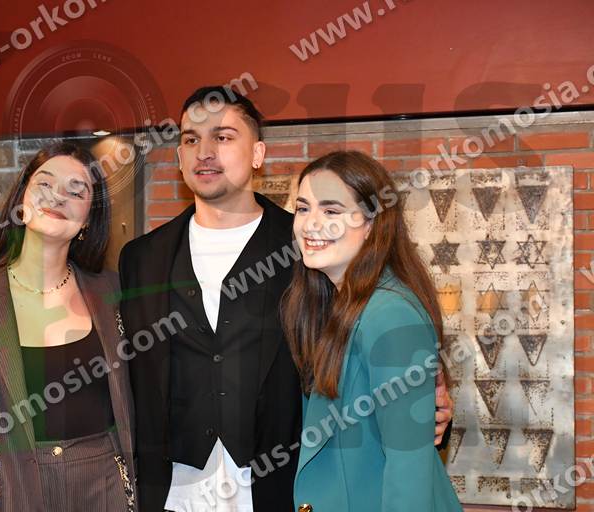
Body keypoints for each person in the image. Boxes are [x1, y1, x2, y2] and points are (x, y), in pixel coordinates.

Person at [117, 86, 454, 512]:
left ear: (257, 153)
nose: (204, 152)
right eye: (190, 139)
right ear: (179, 156)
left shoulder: (309, 249)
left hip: (282, 488)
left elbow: (368, 339)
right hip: (172, 490)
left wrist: (429, 393)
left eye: (223, 137)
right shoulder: (140, 259)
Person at [0, 141, 136, 511]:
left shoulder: (115, 293)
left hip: (105, 490)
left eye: (76, 191)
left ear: (89, 218)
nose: (58, 197)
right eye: (45, 183)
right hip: (11, 492)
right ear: (21, 200)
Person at [282, 150, 462, 512]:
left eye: (331, 211)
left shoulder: (391, 313)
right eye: (303, 208)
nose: (310, 224)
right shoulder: (332, 305)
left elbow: (408, 473)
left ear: (371, 225)